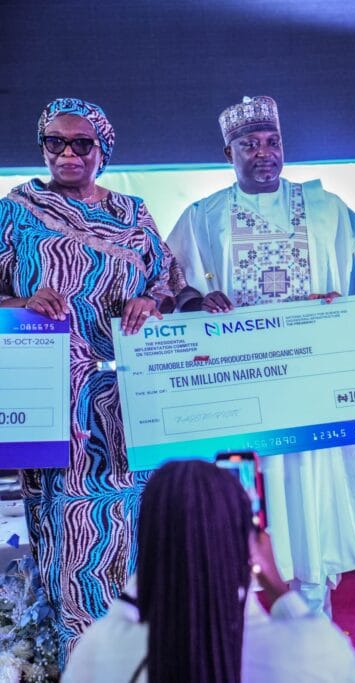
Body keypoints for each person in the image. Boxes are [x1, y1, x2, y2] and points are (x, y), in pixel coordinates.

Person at [165, 96, 355, 614]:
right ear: (229, 153)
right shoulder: (204, 217)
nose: (264, 153)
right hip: (244, 390)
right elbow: (172, 282)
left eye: (272, 142)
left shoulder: (325, 208)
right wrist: (197, 301)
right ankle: (241, 622)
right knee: (246, 491)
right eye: (250, 144)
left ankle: (313, 617)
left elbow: (354, 290)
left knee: (313, 493)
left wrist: (339, 307)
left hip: (312, 383)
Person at [0, 98, 184, 662]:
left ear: (104, 151)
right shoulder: (17, 211)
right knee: (70, 539)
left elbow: (170, 286)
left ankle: (140, 661)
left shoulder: (133, 214)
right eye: (55, 142)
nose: (68, 153)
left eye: (82, 143)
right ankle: (83, 664)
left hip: (130, 405)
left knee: (136, 533)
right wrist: (22, 301)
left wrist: (151, 303)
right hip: (56, 408)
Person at [63, 459, 355, 682]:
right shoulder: (311, 651)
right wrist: (277, 588)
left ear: (147, 538)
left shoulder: (99, 651)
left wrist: (159, 565)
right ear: (248, 542)